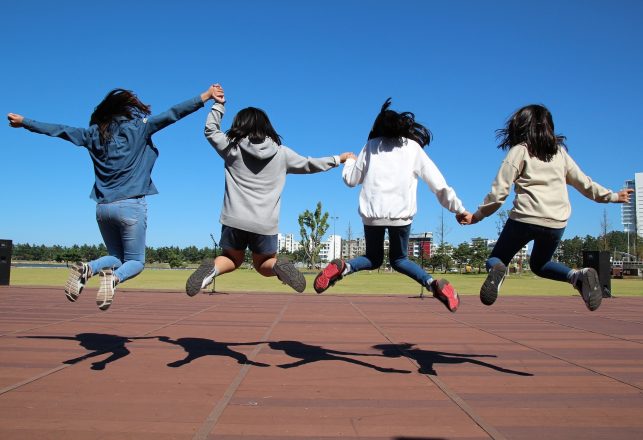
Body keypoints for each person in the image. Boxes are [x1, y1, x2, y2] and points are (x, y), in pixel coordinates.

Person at [7, 85, 222, 310]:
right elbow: (173, 113)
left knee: (116, 257)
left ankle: (88, 268)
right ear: (125, 110)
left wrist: (25, 122)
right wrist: (206, 96)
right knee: (136, 262)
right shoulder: (138, 128)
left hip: (102, 208)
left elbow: (61, 130)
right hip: (130, 206)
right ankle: (113, 279)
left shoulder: (92, 134)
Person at [459, 104, 633, 311]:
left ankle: (498, 270)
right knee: (540, 264)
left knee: (497, 258)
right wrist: (613, 196)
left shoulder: (519, 151)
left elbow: (499, 194)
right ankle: (578, 276)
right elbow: (585, 185)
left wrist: (477, 216)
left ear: (520, 127)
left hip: (524, 219)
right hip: (556, 223)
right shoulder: (560, 154)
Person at [185, 85, 353, 295]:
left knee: (231, 259)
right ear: (267, 127)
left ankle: (211, 270)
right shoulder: (282, 154)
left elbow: (210, 130)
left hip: (233, 219)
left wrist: (218, 105)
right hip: (265, 224)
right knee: (264, 263)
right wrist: (339, 159)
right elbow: (311, 164)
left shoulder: (232, 148)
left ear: (239, 125)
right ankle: (278, 267)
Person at [313, 98, 469, 313]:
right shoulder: (413, 148)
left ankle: (343, 268)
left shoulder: (370, 147)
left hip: (372, 215)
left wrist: (349, 160)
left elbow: (350, 180)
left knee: (372, 258)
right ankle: (433, 284)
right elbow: (438, 184)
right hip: (401, 216)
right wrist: (458, 209)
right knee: (399, 259)